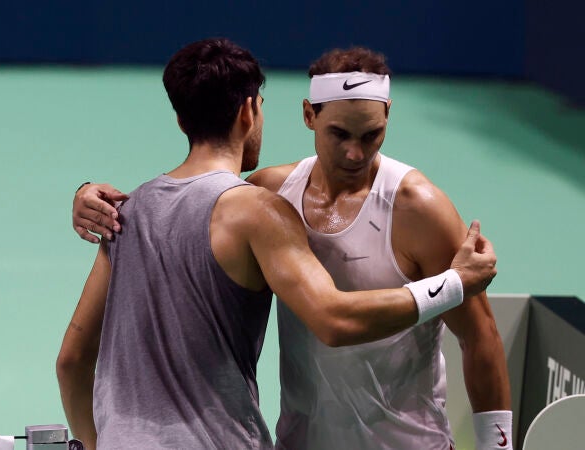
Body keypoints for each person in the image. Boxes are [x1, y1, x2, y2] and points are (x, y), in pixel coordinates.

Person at [62, 39, 498, 450]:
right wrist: (455, 282)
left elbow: (71, 361)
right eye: (339, 134)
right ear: (262, 112)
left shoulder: (128, 211)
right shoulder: (263, 203)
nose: (353, 154)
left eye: (370, 135)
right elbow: (332, 320)